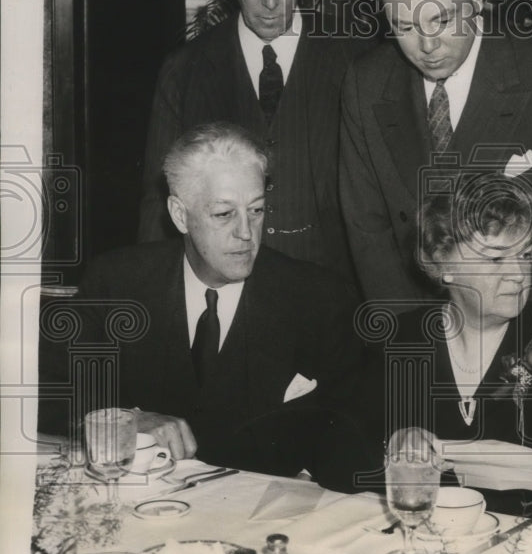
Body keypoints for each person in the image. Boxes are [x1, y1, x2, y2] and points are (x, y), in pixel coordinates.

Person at [40, 123, 365, 481]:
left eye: (256, 210)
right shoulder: (117, 284)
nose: (246, 233)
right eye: (224, 214)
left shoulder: (318, 296)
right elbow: (49, 399)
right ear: (180, 214)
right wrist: (127, 420)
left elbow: (353, 423)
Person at [352, 172, 532, 533]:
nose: (519, 274)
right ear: (444, 264)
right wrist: (393, 446)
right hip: (424, 544)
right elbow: (340, 444)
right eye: (497, 259)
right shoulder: (399, 341)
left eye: (526, 254)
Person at [340, 0, 532, 306]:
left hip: (527, 319)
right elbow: (368, 230)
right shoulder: (366, 82)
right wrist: (410, 340)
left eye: (442, 19)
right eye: (404, 27)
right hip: (416, 325)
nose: (428, 45)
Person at [138, 0, 358, 286]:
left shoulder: (356, 61)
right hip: (222, 300)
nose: (271, 3)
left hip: (332, 300)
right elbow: (159, 207)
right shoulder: (183, 70)